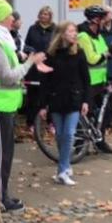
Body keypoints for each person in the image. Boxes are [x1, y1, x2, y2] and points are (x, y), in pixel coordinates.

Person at [0, 0, 45, 212]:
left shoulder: (1, 39)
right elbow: (6, 76)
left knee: (5, 153)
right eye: (8, 14)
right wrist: (29, 63)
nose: (12, 18)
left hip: (3, 105)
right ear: (0, 18)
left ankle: (1, 194)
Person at [38, 21, 91, 185]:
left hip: (74, 99)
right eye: (71, 31)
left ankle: (61, 171)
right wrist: (42, 105)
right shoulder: (51, 55)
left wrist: (86, 101)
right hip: (56, 99)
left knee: (68, 134)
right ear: (61, 34)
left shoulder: (79, 53)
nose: (74, 34)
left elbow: (86, 79)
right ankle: (66, 166)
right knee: (60, 136)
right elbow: (45, 81)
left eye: (75, 31)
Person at [77, 5, 112, 153]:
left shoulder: (99, 36)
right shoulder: (83, 36)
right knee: (85, 114)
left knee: (109, 110)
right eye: (103, 19)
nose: (105, 22)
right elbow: (92, 59)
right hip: (88, 81)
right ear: (95, 20)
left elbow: (103, 54)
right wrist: (110, 51)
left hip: (100, 80)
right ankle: (80, 145)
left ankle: (99, 139)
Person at [23, 6, 56, 130]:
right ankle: (31, 122)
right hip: (35, 66)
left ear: (50, 16)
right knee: (33, 94)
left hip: (50, 65)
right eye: (41, 13)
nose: (43, 16)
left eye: (46, 14)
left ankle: (51, 122)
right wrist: (33, 53)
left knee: (51, 94)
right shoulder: (32, 29)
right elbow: (26, 46)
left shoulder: (55, 30)